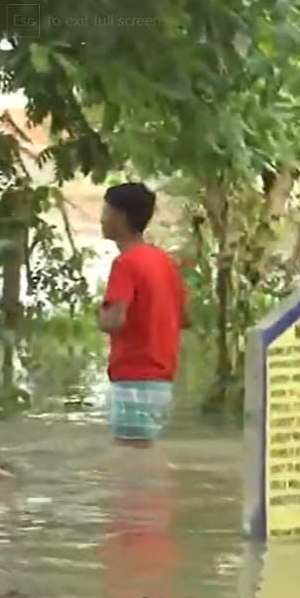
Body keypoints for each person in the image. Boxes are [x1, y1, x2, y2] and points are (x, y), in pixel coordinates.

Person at [97, 182, 189, 446]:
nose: (102, 219)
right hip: (162, 379)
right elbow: (185, 318)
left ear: (120, 217)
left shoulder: (125, 263)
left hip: (133, 378)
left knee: (130, 459)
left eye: (106, 211)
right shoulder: (165, 262)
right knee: (145, 452)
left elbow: (114, 321)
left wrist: (101, 313)